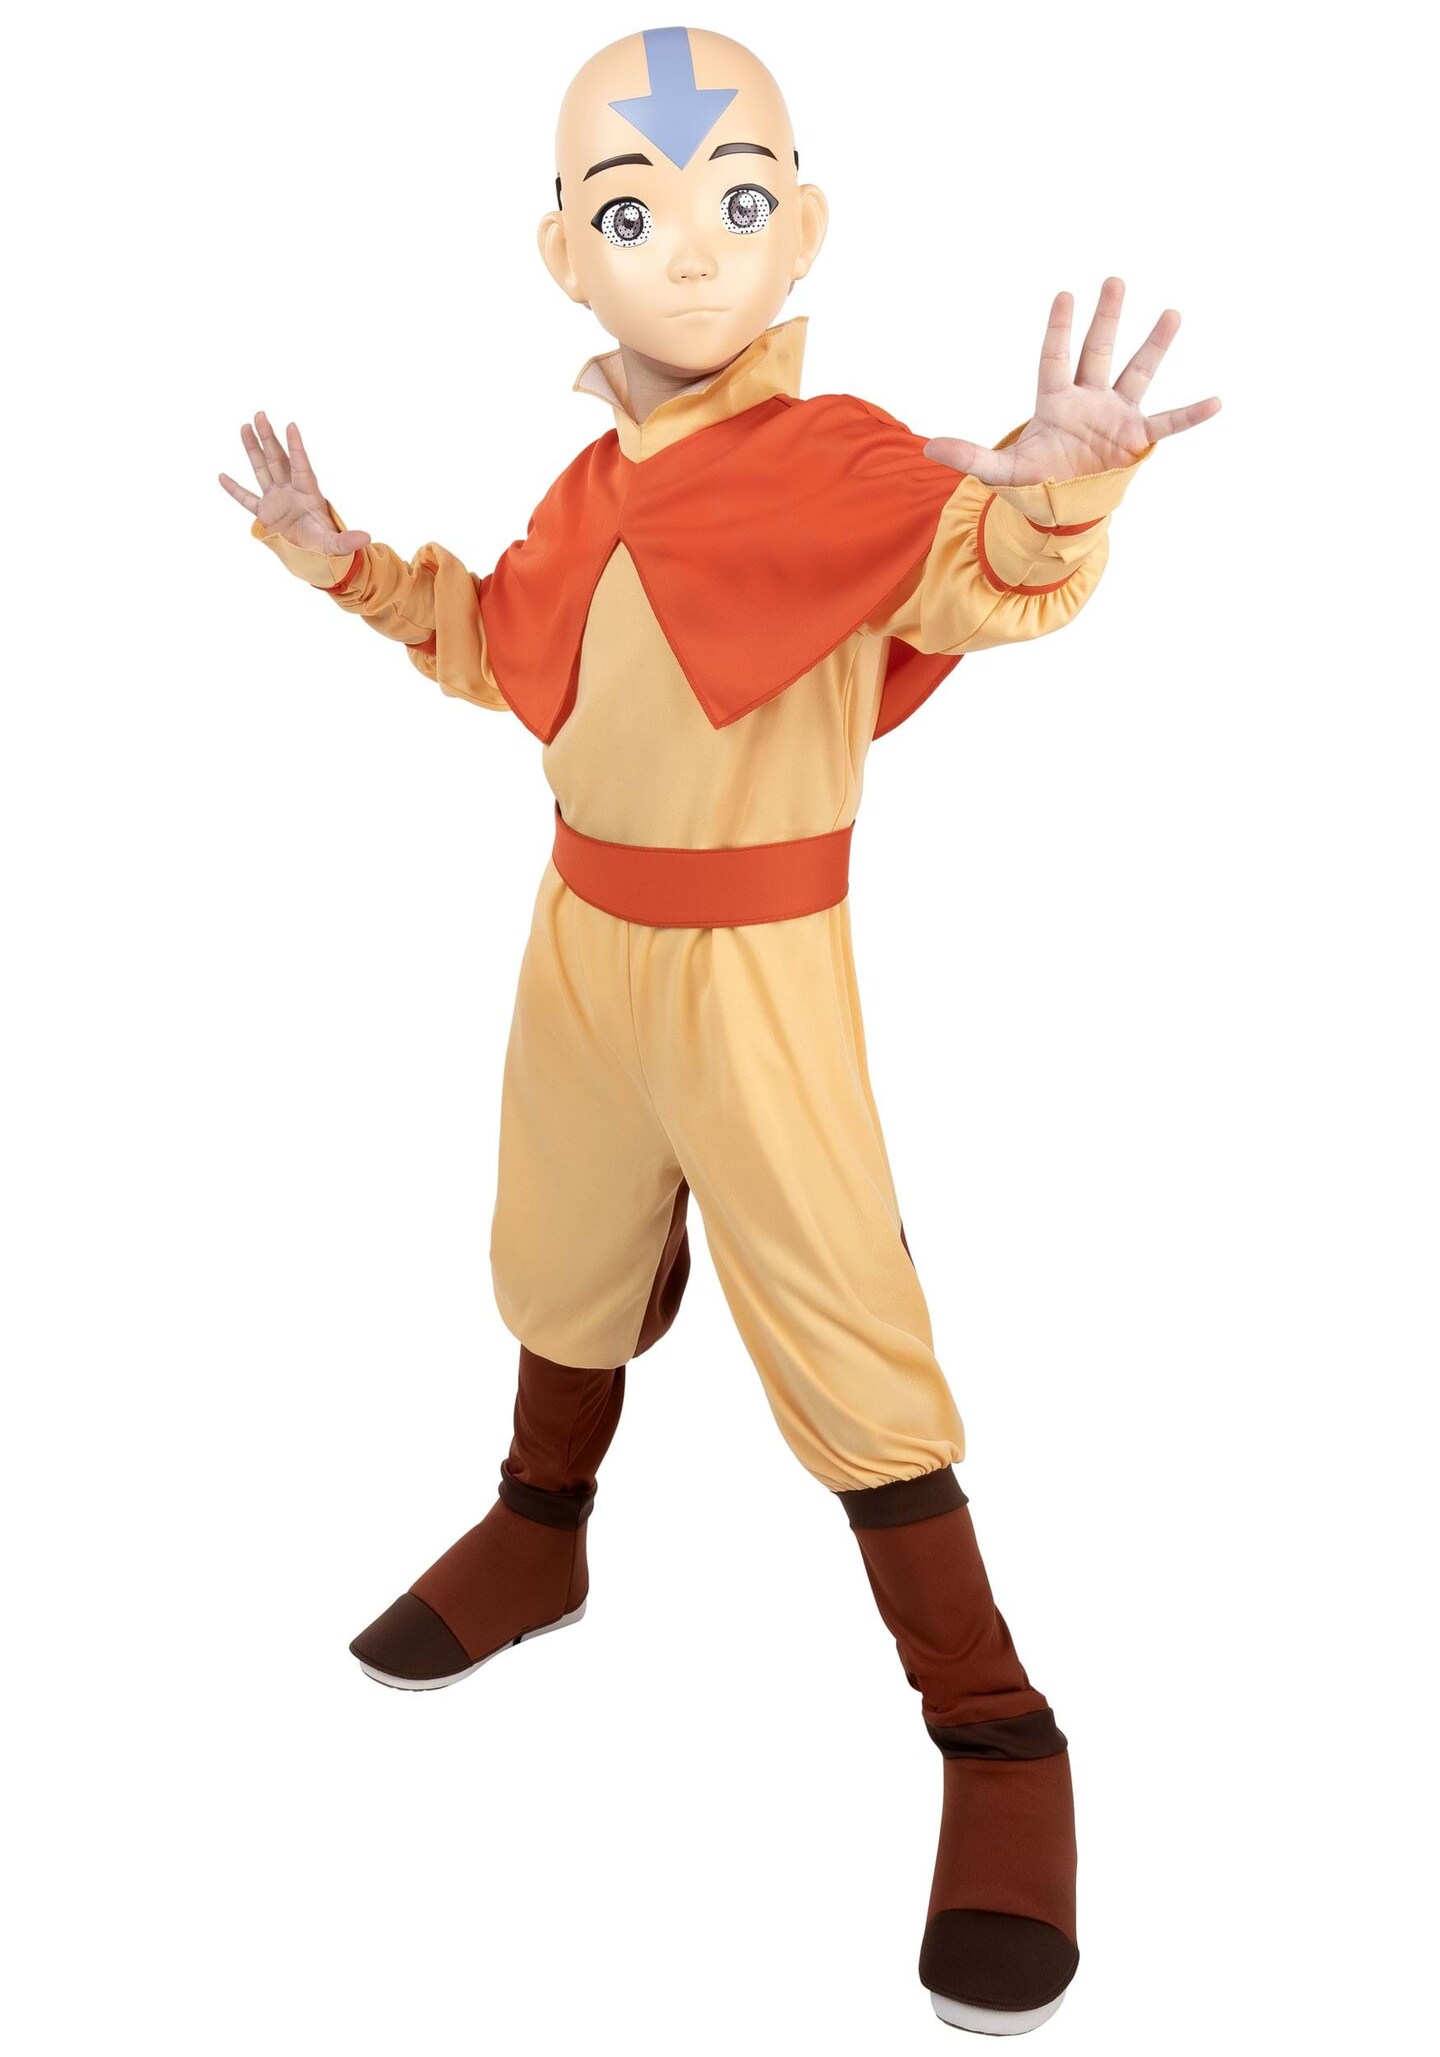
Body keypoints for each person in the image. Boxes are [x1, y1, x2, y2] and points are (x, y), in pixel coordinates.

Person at [218, 24, 1219, 2037]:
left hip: (760, 972)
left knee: (850, 1332)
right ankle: (541, 1529)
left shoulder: (847, 459)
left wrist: (1064, 497)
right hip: (580, 945)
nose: (691, 245)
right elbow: (501, 645)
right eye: (634, 209)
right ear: (562, 258)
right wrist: (346, 570)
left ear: (804, 230)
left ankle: (997, 1727)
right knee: (557, 1250)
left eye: (739, 199)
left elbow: (982, 571)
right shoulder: (587, 485)